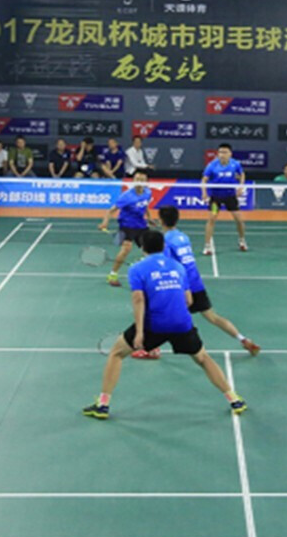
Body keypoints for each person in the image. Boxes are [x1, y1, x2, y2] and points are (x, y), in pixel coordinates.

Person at [82, 230, 247, 420]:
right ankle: (234, 399)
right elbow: (188, 300)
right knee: (203, 358)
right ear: (163, 246)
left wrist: (140, 332)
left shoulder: (137, 269)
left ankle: (103, 404)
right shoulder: (178, 267)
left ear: (143, 248)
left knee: (116, 354)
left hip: (154, 325)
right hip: (181, 323)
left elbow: (138, 300)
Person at [160, 206, 260, 356]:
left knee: (160, 316)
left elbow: (168, 265)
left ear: (161, 220)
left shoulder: (166, 241)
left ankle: (153, 349)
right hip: (196, 282)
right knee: (213, 317)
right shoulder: (183, 237)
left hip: (183, 287)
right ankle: (243, 339)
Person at [98, 169, 155, 289]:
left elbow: (145, 206)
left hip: (141, 225)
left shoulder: (148, 192)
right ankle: (113, 275)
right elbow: (111, 210)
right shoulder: (126, 196)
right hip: (127, 225)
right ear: (133, 181)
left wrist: (149, 218)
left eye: (142, 180)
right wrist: (105, 222)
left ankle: (149, 275)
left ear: (146, 181)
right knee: (126, 250)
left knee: (149, 251)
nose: (139, 182)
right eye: (137, 179)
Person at [201, 143, 248, 255]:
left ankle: (242, 241)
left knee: (239, 220)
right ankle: (207, 246)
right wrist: (204, 193)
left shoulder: (235, 164)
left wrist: (241, 186)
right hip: (216, 198)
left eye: (225, 152)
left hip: (230, 196)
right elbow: (204, 180)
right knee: (211, 219)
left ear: (230, 154)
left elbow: (242, 175)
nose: (222, 154)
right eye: (220, 152)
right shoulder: (212, 165)